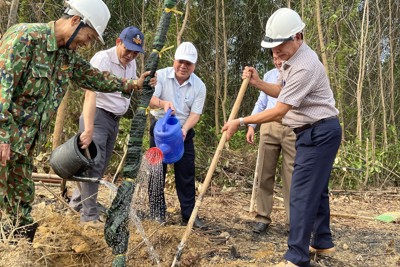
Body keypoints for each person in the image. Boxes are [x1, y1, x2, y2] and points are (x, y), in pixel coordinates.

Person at [0, 0, 151, 242]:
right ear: (74, 20)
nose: (87, 43)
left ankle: (17, 247)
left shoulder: (66, 57)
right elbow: (2, 88)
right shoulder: (25, 37)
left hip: (24, 145)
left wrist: (132, 84)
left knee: (22, 201)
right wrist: (3, 136)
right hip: (5, 138)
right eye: (89, 36)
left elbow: (95, 78)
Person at [222, 8, 342, 267]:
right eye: (272, 48)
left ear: (298, 36)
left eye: (280, 47)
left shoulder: (305, 66)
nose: (275, 54)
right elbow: (280, 91)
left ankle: (297, 256)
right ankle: (322, 243)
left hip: (320, 132)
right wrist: (257, 83)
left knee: (301, 193)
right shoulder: (293, 61)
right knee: (317, 190)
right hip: (312, 131)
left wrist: (241, 121)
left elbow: (279, 109)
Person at [68, 26, 156, 227]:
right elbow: (89, 90)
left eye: (135, 52)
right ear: (118, 42)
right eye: (128, 49)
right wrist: (89, 127)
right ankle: (89, 217)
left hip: (113, 120)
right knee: (93, 165)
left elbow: (129, 89)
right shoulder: (103, 59)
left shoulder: (131, 65)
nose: (131, 55)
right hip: (97, 116)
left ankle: (76, 204)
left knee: (97, 166)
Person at [148, 42, 206, 228]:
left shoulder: (199, 86)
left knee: (186, 174)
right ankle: (157, 213)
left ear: (194, 66)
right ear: (174, 61)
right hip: (160, 131)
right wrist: (163, 103)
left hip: (183, 133)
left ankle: (189, 215)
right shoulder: (161, 76)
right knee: (156, 173)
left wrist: (184, 130)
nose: (183, 66)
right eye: (181, 61)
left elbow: (195, 114)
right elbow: (149, 100)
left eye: (188, 63)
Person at [247, 51, 296, 234]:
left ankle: (294, 221)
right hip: (269, 126)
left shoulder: (297, 73)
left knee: (291, 176)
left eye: (280, 57)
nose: (277, 61)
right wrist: (251, 124)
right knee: (264, 172)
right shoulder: (268, 76)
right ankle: (262, 216)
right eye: (274, 58)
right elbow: (261, 102)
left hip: (292, 127)